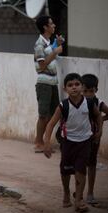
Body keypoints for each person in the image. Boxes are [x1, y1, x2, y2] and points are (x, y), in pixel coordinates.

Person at [44, 73, 102, 213]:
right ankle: (66, 193)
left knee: (81, 170)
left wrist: (99, 132)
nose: (74, 87)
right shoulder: (63, 106)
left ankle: (79, 199)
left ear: (82, 87)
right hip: (68, 142)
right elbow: (50, 124)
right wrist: (47, 143)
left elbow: (98, 115)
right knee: (65, 171)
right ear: (65, 89)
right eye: (70, 85)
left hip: (85, 142)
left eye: (77, 84)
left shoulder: (89, 103)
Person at [82, 74, 108, 205]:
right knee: (79, 164)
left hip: (94, 137)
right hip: (79, 138)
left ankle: (90, 192)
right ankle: (79, 191)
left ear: (96, 90)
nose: (88, 94)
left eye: (91, 91)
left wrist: (100, 120)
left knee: (91, 164)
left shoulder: (98, 102)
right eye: (85, 91)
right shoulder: (76, 102)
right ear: (81, 89)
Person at [33, 16, 64, 153]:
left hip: (52, 82)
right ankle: (39, 143)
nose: (54, 25)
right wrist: (56, 51)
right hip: (44, 83)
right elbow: (42, 64)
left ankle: (44, 141)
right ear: (45, 27)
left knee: (54, 114)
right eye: (51, 23)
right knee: (43, 115)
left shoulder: (47, 43)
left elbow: (49, 54)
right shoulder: (39, 44)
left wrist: (55, 44)